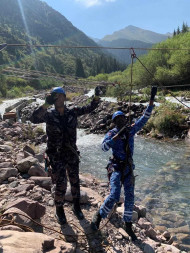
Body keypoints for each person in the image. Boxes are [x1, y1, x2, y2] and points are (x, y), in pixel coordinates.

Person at [91, 86, 157, 241]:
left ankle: (128, 226)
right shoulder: (112, 133)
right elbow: (103, 147)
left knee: (129, 197)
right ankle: (98, 217)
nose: (121, 121)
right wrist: (114, 138)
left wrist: (151, 100)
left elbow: (144, 118)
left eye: (122, 119)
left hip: (128, 168)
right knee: (114, 195)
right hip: (116, 167)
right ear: (114, 122)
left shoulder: (131, 130)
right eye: (117, 120)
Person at [30, 86, 100, 225]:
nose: (57, 98)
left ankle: (76, 206)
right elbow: (33, 118)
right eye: (54, 96)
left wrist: (96, 96)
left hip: (71, 153)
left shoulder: (72, 112)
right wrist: (45, 104)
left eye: (60, 95)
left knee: (75, 181)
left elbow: (90, 107)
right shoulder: (48, 114)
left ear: (64, 97)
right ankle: (59, 209)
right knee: (61, 183)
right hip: (56, 155)